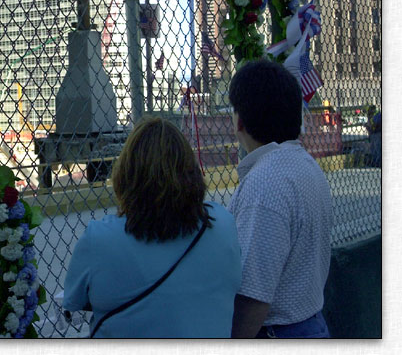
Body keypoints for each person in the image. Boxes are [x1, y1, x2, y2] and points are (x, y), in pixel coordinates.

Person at [62, 116, 242, 338]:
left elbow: (74, 301)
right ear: (192, 173)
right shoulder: (222, 223)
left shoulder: (99, 240)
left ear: (127, 176)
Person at [227, 59, 333, 338]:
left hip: (279, 332)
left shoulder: (264, 184)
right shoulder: (305, 165)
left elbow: (253, 296)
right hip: (310, 323)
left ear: (239, 121)